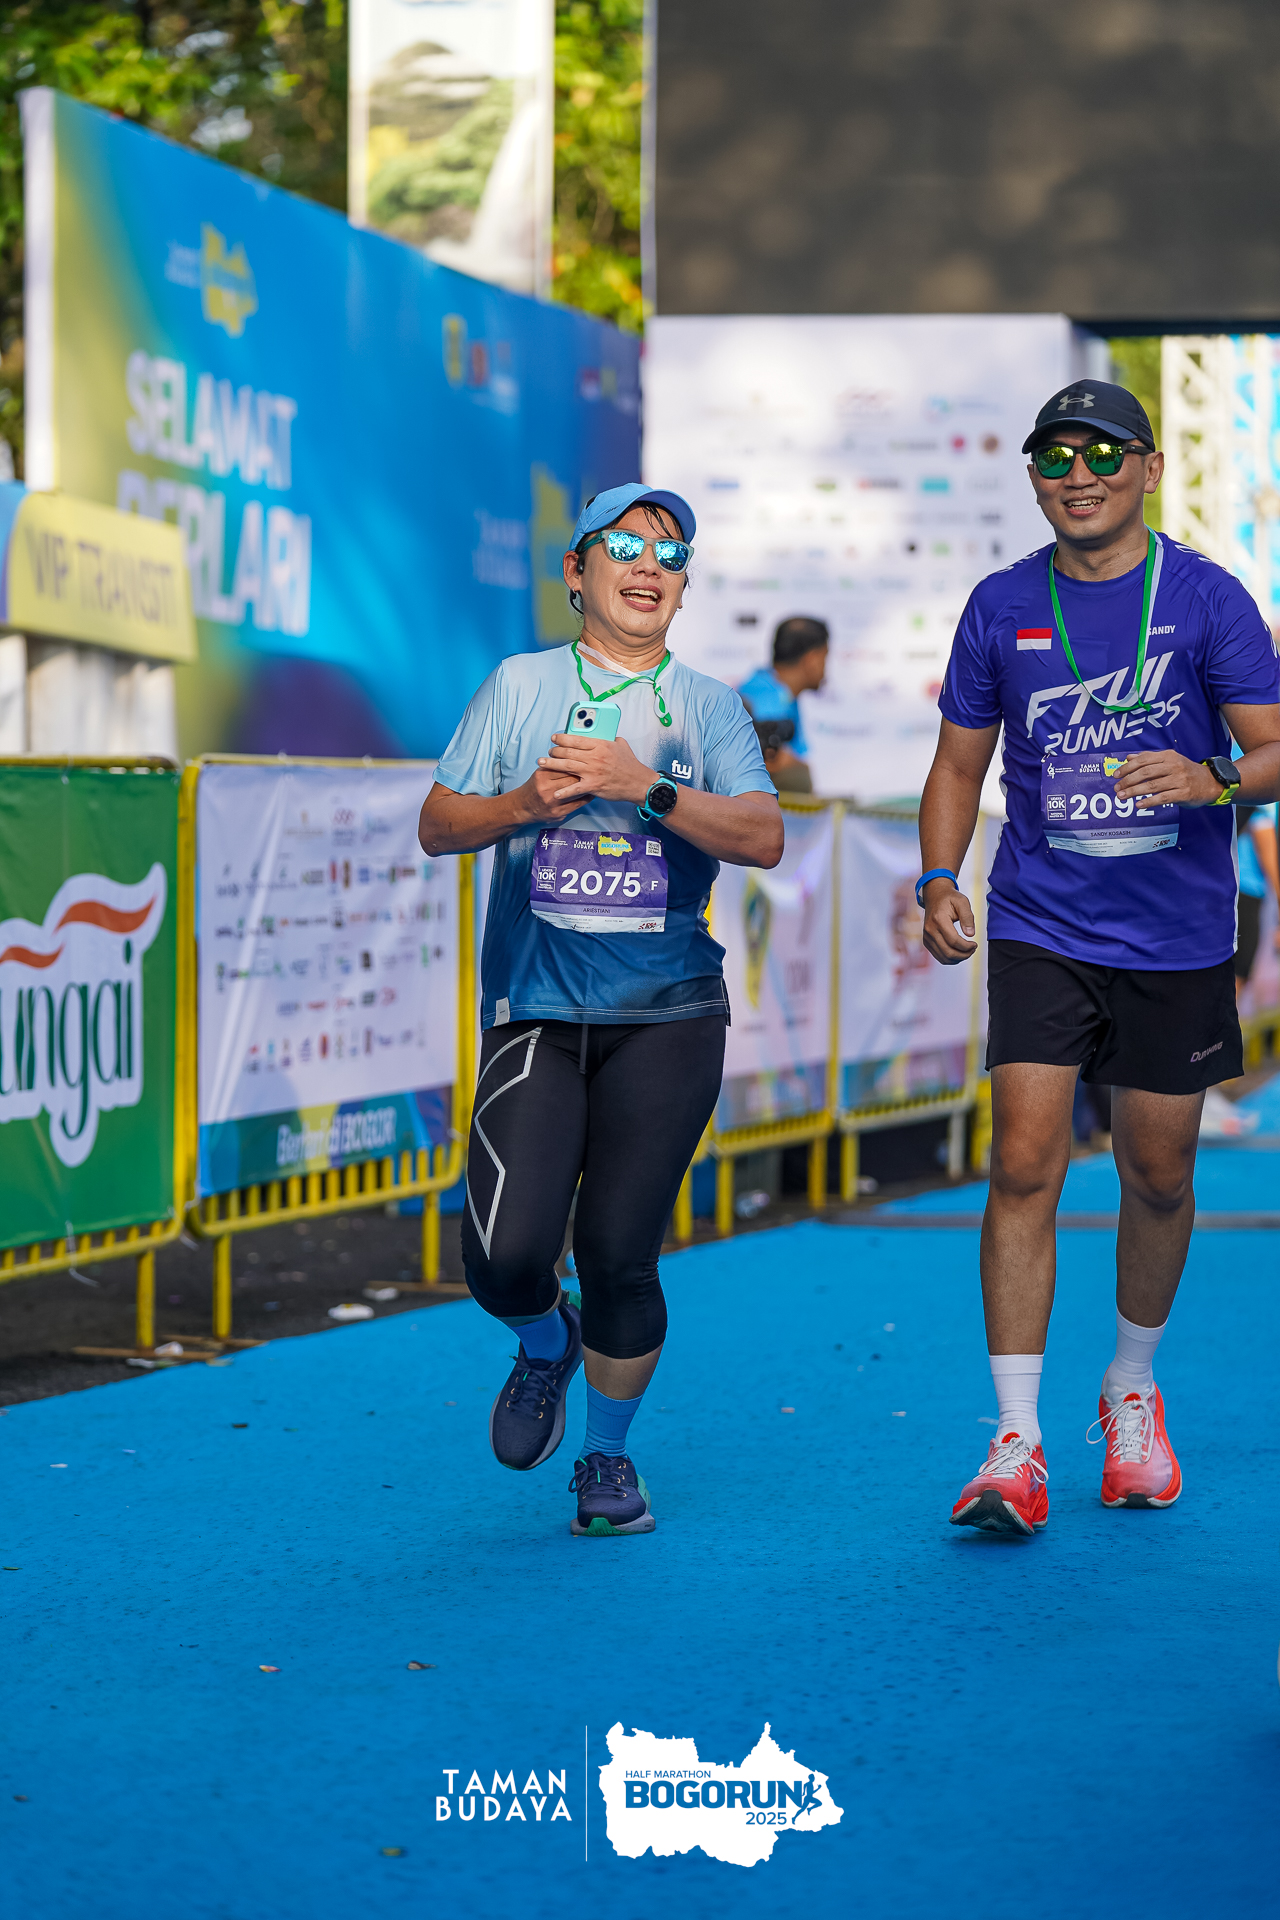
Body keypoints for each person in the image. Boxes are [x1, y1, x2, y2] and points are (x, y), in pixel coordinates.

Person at [916, 378, 1280, 1536]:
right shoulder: (998, 604)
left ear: (1147, 468)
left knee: (1156, 1172)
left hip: (1174, 936)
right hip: (1040, 923)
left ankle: (1129, 1388)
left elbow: (1271, 747)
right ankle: (1013, 1439)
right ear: (1032, 477)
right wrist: (936, 879)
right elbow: (956, 767)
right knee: (1022, 1160)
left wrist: (1211, 776)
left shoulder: (1206, 599)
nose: (1076, 476)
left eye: (1101, 454)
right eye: (1052, 457)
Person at [418, 483, 782, 1537]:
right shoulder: (520, 685)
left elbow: (762, 836)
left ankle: (606, 1459)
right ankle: (547, 1342)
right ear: (577, 572)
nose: (647, 566)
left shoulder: (708, 707)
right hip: (535, 1007)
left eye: (669, 553)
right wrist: (524, 805)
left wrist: (643, 786)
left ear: (684, 587)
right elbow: (439, 824)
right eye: (622, 546)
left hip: (668, 1013)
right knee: (504, 1260)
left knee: (621, 1252)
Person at [738, 617, 829, 792]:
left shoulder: (774, 690)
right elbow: (767, 761)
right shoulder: (766, 700)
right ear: (813, 659)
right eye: (825, 657)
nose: (826, 668)